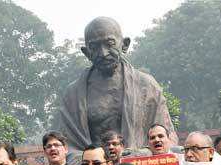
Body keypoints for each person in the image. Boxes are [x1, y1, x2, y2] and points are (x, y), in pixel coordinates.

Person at [58, 17, 177, 150]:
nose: (103, 53)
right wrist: (91, 159)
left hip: (137, 164)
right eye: (94, 47)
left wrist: (144, 153)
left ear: (124, 45)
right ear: (86, 53)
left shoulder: (147, 86)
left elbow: (167, 137)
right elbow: (66, 146)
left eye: (109, 44)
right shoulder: (73, 95)